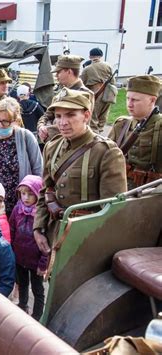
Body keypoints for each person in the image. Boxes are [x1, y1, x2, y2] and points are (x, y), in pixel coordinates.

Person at [33, 88, 127, 255]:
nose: (62, 122)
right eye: (59, 116)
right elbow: (45, 190)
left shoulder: (106, 152)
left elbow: (112, 211)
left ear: (86, 115)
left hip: (86, 239)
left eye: (70, 115)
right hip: (54, 232)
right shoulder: (52, 146)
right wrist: (39, 227)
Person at [0, 97, 43, 217]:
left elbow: (38, 172)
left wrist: (36, 202)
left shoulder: (27, 137)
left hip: (21, 206)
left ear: (15, 121)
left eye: (5, 122)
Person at [108, 75, 162, 188]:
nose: (129, 104)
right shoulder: (121, 125)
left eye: (135, 100)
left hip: (150, 194)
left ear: (152, 100)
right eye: (128, 98)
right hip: (120, 187)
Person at [9, 175, 46, 320]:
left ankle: (37, 316)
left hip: (36, 262)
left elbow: (46, 242)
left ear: (38, 193)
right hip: (20, 259)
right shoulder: (17, 209)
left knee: (38, 290)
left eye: (30, 193)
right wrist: (12, 253)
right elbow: (12, 229)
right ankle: (22, 306)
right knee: (22, 284)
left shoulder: (42, 215)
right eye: (23, 193)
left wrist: (43, 263)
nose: (26, 197)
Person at [37, 55, 94, 144]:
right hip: (55, 144)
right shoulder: (60, 94)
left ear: (69, 71)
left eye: (59, 72)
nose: (56, 75)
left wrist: (48, 130)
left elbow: (79, 125)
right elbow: (47, 115)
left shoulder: (85, 94)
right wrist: (41, 126)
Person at [80, 48, 116, 133]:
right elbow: (113, 81)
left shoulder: (87, 69)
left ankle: (95, 135)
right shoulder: (108, 66)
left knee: (93, 116)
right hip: (108, 92)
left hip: (95, 93)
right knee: (104, 115)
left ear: (90, 56)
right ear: (101, 56)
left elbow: (82, 84)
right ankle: (100, 131)